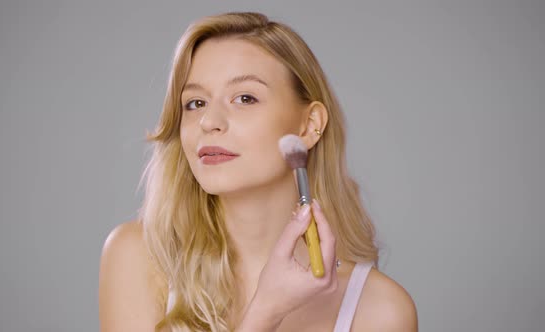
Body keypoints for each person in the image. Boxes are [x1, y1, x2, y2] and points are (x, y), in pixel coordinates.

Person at [99, 11, 417, 332]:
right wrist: (265, 312)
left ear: (309, 125)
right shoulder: (137, 259)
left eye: (245, 98)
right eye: (195, 103)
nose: (209, 121)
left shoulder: (380, 310)